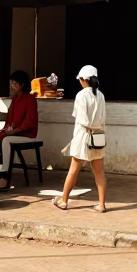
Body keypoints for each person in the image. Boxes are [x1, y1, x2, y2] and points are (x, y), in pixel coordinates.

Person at [53, 65, 106, 213]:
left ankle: (64, 201)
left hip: (83, 136)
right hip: (97, 136)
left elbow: (81, 118)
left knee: (73, 170)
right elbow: (103, 118)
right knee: (99, 172)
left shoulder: (81, 95)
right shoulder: (100, 95)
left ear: (83, 80)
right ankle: (101, 204)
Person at [0, 70, 38, 189]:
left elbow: (29, 121)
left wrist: (13, 131)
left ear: (22, 84)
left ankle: (5, 174)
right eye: (11, 83)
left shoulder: (30, 99)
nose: (12, 86)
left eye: (14, 83)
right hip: (14, 133)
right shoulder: (15, 99)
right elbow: (10, 119)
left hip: (27, 135)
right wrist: (7, 129)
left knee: (6, 140)